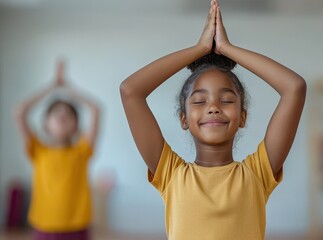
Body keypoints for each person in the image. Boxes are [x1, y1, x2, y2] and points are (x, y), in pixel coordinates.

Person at [120, 0, 306, 239]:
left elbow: (294, 87)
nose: (214, 107)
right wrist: (199, 48)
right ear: (184, 119)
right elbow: (130, 91)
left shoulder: (257, 173)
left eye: (227, 100)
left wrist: (227, 49)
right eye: (199, 101)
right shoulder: (171, 174)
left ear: (242, 117)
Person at [14, 60, 100, 240]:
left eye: (68, 114)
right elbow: (20, 111)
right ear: (46, 124)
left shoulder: (82, 151)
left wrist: (68, 87)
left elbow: (96, 109)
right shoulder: (37, 150)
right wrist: (53, 86)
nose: (62, 116)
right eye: (56, 113)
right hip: (45, 226)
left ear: (76, 126)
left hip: (77, 226)